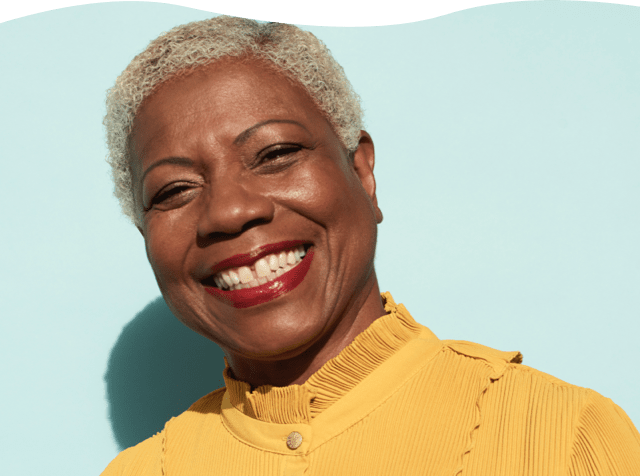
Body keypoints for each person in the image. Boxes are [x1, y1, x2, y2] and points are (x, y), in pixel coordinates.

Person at [101, 15, 640, 475]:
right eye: (174, 190)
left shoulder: (562, 437)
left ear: (362, 173)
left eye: (275, 154)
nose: (229, 212)